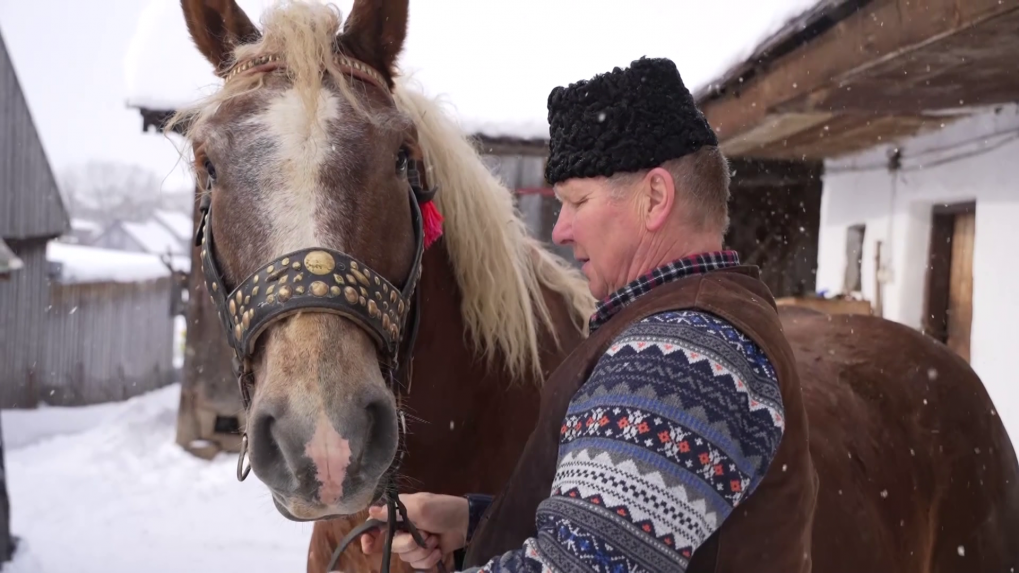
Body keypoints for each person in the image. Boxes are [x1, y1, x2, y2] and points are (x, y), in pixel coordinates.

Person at [362, 56, 817, 573]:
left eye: (577, 201)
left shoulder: (680, 354)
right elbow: (627, 536)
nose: (560, 231)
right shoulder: (694, 323)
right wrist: (478, 522)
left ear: (655, 198)